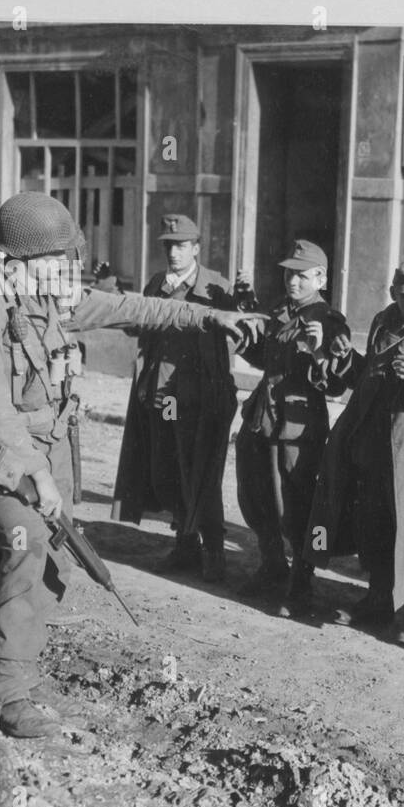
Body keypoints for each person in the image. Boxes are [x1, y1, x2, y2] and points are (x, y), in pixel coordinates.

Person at [0, 191, 254, 738]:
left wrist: (213, 317)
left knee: (58, 563)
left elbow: (136, 308)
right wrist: (36, 473)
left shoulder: (54, 296)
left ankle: (25, 665)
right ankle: (9, 693)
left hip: (56, 447)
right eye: (55, 261)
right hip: (8, 458)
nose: (65, 271)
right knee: (25, 549)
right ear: (17, 262)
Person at [304, 261, 404, 645]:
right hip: (376, 444)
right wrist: (345, 358)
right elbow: (368, 377)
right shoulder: (383, 322)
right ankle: (379, 598)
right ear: (393, 292)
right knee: (375, 523)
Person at [111, 214, 237, 583]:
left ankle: (214, 548)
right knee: (167, 471)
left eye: (181, 245)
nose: (174, 252)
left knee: (201, 473)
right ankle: (185, 544)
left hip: (199, 398)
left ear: (196, 248)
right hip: (159, 394)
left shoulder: (215, 286)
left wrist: (243, 300)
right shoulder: (156, 283)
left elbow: (237, 327)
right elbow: (141, 326)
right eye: (169, 245)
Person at [234, 239, 351, 618]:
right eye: (289, 274)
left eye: (302, 275)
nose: (293, 281)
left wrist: (320, 353)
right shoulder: (281, 312)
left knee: (296, 508)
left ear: (320, 277)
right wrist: (244, 316)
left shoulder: (328, 321)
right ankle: (271, 567)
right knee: (258, 497)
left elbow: (335, 385)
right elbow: (264, 357)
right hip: (262, 419)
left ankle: (301, 585)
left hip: (297, 430)